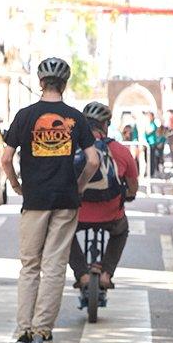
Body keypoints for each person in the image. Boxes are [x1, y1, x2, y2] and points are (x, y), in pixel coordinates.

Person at [0, 57, 99, 343]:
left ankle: (23, 331)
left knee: (30, 266)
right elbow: (93, 160)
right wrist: (79, 186)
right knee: (54, 267)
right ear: (65, 84)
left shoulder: (25, 116)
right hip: (66, 200)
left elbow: (5, 159)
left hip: (34, 200)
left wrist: (17, 185)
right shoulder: (75, 118)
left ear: (40, 83)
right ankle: (43, 331)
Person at [68, 102, 138, 292]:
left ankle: (82, 274)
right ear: (106, 125)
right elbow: (133, 188)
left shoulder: (70, 148)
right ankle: (106, 273)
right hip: (111, 216)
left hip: (77, 215)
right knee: (121, 231)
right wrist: (128, 195)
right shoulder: (121, 151)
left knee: (63, 233)